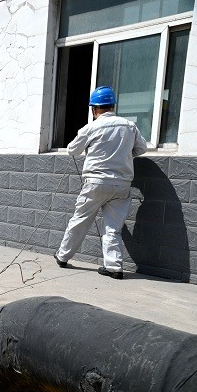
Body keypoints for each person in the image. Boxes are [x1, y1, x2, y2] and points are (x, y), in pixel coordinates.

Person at [54, 86, 147, 279]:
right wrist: (122, 155)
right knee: (113, 227)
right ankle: (113, 267)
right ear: (113, 106)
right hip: (122, 184)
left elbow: (72, 150)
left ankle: (63, 256)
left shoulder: (91, 127)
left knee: (80, 220)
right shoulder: (129, 126)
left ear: (94, 109)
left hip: (95, 183)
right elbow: (141, 149)